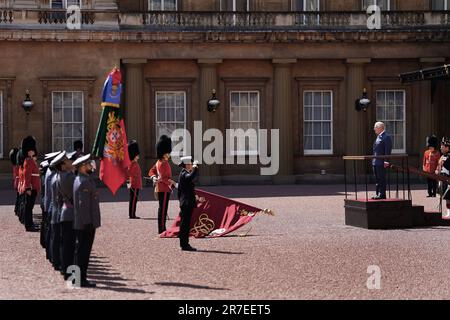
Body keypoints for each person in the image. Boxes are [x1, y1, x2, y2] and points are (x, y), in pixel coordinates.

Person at [73, 154, 100, 288]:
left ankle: (77, 278)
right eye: (88, 164)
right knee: (83, 252)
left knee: (81, 251)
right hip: (85, 223)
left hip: (83, 222)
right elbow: (83, 204)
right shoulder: (83, 181)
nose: (91, 166)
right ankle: (80, 279)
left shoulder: (82, 179)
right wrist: (88, 222)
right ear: (83, 167)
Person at [54, 151, 77, 279]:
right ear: (63, 165)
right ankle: (72, 277)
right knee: (72, 246)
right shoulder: (69, 177)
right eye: (68, 161)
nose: (71, 162)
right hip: (71, 213)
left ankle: (66, 270)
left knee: (66, 244)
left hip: (64, 211)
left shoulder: (60, 176)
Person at [149, 135, 176, 234]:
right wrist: (172, 183)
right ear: (164, 153)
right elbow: (164, 178)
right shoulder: (163, 163)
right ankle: (161, 229)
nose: (169, 154)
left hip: (162, 188)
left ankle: (162, 227)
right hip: (164, 189)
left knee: (162, 209)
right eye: (168, 153)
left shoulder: (159, 162)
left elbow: (151, 171)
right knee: (163, 209)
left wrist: (153, 177)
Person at [177, 156, 199, 252]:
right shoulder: (184, 173)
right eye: (190, 163)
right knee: (185, 225)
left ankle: (183, 243)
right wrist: (195, 168)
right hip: (186, 203)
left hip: (185, 202)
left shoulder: (184, 173)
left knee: (184, 224)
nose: (191, 164)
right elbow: (191, 177)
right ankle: (184, 244)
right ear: (186, 164)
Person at [19, 136, 40, 232]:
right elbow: (27, 175)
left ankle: (30, 223)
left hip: (33, 187)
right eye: (31, 150)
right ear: (28, 151)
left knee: (30, 207)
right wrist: (28, 188)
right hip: (31, 188)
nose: (33, 151)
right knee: (29, 207)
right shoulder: (28, 161)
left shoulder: (31, 160)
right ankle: (29, 225)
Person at [372, 122, 392, 200]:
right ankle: (378, 194)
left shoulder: (386, 137)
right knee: (377, 179)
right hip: (375, 162)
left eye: (375, 127)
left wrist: (386, 161)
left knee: (381, 179)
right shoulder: (378, 137)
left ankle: (382, 194)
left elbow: (387, 150)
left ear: (380, 128)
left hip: (381, 162)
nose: (374, 129)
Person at [126, 140, 142, 219]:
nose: (138, 156)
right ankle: (132, 214)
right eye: (136, 155)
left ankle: (132, 214)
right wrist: (128, 182)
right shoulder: (131, 164)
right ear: (133, 155)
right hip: (134, 184)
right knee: (133, 200)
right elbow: (128, 174)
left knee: (134, 200)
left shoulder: (134, 163)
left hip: (136, 184)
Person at [437, 137, 450, 219]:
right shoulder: (442, 156)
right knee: (447, 198)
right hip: (443, 179)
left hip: (448, 179)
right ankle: (449, 212)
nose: (441, 148)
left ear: (447, 147)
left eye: (442, 146)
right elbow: (439, 167)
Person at [9, 148, 20, 217]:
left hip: (16, 182)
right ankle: (17, 209)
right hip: (19, 182)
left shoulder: (14, 165)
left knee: (18, 197)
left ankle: (16, 209)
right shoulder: (17, 165)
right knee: (20, 197)